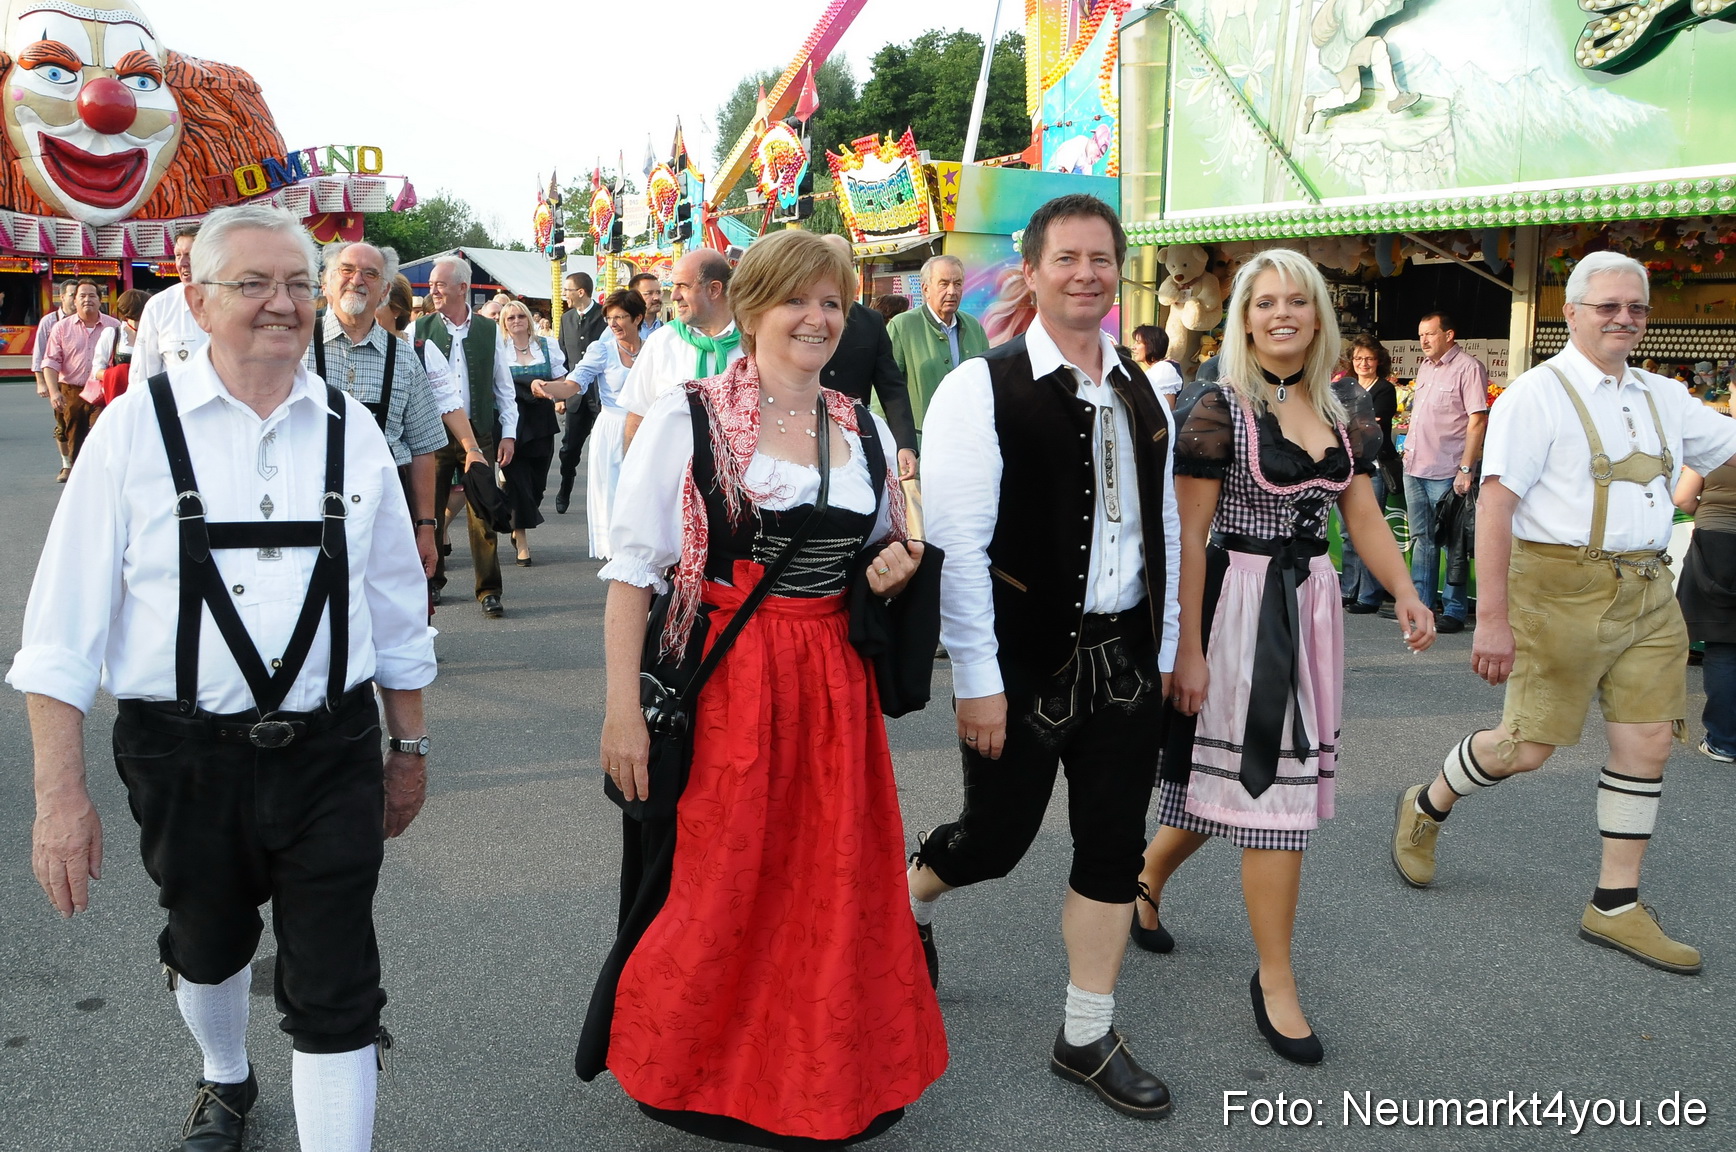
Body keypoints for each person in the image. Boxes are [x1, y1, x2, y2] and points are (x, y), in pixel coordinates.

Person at [8, 203, 436, 1152]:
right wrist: (58, 797)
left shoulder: (353, 431)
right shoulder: (130, 434)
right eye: (253, 284)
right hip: (181, 751)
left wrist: (406, 749)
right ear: (197, 303)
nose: (281, 304)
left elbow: (400, 617)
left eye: (296, 283)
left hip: (329, 750)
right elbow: (60, 632)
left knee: (336, 985)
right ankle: (226, 1075)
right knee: (207, 950)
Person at [577, 227, 946, 1144]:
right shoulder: (690, 415)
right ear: (750, 310)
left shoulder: (858, 423)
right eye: (798, 300)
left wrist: (895, 565)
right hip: (728, 680)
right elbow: (634, 572)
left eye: (832, 302)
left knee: (828, 881)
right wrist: (623, 710)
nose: (818, 319)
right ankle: (700, 1068)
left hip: (832, 685)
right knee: (721, 880)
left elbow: (872, 550)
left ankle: (821, 1074)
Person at [909, 194, 1180, 1119]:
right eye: (1065, 258)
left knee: (1114, 848)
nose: (1085, 273)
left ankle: (1086, 1032)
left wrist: (1175, 646)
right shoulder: (978, 387)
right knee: (997, 842)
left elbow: (1165, 532)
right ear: (1031, 271)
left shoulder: (1146, 389)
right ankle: (911, 896)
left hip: (1127, 658)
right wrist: (977, 682)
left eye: (1101, 258)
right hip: (1023, 665)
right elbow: (955, 545)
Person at [1391, 250, 1736, 975]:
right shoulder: (1535, 396)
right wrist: (1491, 618)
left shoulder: (1661, 397)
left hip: (1646, 590)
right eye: (1607, 306)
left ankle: (1615, 904)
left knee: (1647, 741)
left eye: (1635, 307)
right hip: (1556, 588)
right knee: (1526, 749)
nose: (1624, 319)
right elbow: (1495, 505)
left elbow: (1726, 444)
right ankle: (1426, 802)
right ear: (1572, 312)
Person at [1133, 250, 1433, 1066]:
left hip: (1309, 607)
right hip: (1237, 606)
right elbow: (1189, 536)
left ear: (1317, 314)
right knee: (1273, 796)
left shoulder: (1342, 407)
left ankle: (1145, 883)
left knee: (1232, 782)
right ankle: (1275, 978)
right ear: (1244, 316)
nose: (1281, 315)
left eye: (1296, 301)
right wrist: (1186, 649)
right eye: (1265, 302)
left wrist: (1405, 591)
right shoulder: (1216, 404)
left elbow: (1363, 514)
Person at [414, 256, 518, 618]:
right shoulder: (420, 329)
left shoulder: (489, 330)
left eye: (440, 284)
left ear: (462, 287)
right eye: (431, 284)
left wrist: (509, 434)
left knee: (483, 514)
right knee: (430, 512)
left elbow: (503, 387)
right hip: (432, 433)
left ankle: (489, 589)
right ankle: (433, 580)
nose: (433, 290)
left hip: (480, 432)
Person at [535, 288, 645, 559]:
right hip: (612, 427)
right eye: (609, 318)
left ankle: (643, 548)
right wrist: (548, 387)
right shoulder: (602, 350)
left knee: (644, 490)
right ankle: (617, 554)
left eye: (621, 317)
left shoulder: (654, 347)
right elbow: (575, 382)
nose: (614, 324)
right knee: (612, 491)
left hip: (647, 427)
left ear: (638, 318)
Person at [1403, 311, 1488, 633]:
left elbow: (1477, 420)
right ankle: (1421, 606)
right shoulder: (1424, 368)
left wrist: (1466, 469)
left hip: (1447, 469)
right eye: (1421, 334)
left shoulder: (1468, 368)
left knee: (1451, 543)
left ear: (1449, 335)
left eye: (1430, 334)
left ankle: (1453, 609)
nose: (1424, 340)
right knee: (1421, 539)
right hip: (1414, 466)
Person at [819, 233, 919, 479]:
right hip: (798, 434)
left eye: (840, 264)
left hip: (853, 442)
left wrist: (905, 442)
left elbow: (891, 386)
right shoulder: (798, 317)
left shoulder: (871, 322)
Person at [620, 248, 741, 446]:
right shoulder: (661, 342)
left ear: (714, 289)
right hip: (672, 472)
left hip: (739, 471)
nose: (674, 295)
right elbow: (637, 419)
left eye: (683, 286)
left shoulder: (754, 342)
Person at [495, 298, 567, 566]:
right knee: (518, 482)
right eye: (510, 318)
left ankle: (518, 522)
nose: (516, 321)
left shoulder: (547, 346)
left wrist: (560, 398)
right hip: (510, 420)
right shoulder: (499, 349)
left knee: (537, 485)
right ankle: (522, 542)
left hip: (540, 420)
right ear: (504, 323)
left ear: (529, 320)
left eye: (520, 317)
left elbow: (560, 379)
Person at [886, 254, 989, 437]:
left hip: (968, 439)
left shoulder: (974, 327)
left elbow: (988, 384)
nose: (952, 291)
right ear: (926, 289)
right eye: (944, 284)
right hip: (921, 443)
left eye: (957, 284)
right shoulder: (903, 326)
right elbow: (885, 389)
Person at [1676, 463, 1736, 762]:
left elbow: (1683, 498)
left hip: (1716, 544)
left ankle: (1724, 742)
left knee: (1722, 644)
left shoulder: (1718, 441)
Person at [1338, 334, 1401, 612]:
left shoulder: (1385, 389)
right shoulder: (1342, 386)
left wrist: (1349, 419)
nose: (1363, 363)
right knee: (1346, 533)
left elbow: (1371, 422)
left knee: (1369, 531)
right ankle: (1348, 589)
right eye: (1359, 358)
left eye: (1369, 358)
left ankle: (1369, 595)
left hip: (1374, 467)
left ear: (1379, 361)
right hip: (1345, 464)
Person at [41, 279, 121, 473]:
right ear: (73, 301)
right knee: (74, 436)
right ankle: (78, 474)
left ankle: (103, 475)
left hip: (103, 391)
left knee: (101, 431)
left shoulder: (115, 326)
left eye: (92, 295)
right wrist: (53, 392)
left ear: (100, 300)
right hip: (72, 390)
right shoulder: (61, 328)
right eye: (82, 296)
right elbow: (50, 362)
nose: (87, 300)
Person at [555, 272, 608, 514]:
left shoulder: (605, 317)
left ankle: (606, 500)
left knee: (606, 451)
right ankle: (565, 489)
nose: (564, 294)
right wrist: (561, 396)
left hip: (601, 397)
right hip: (575, 397)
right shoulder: (566, 319)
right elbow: (563, 358)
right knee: (569, 451)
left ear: (581, 292)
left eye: (567, 290)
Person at [131, 224, 209, 386]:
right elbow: (142, 377)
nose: (182, 263)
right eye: (178, 255)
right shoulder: (159, 307)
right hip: (176, 409)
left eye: (190, 255)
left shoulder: (235, 301)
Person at [33, 280, 76, 479]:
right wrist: (42, 382)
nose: (77, 299)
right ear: (62, 297)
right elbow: (39, 353)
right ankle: (66, 465)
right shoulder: (49, 322)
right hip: (59, 381)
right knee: (63, 425)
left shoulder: (89, 319)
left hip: (85, 381)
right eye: (72, 295)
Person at [88, 287, 150, 412]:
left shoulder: (153, 335)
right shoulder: (113, 334)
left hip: (146, 397)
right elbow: (96, 370)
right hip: (118, 398)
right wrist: (120, 373)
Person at [1132, 323, 1184, 407]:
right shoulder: (1153, 370)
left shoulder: (1163, 369)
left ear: (1150, 345)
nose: (1133, 347)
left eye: (1138, 343)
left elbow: (1167, 410)